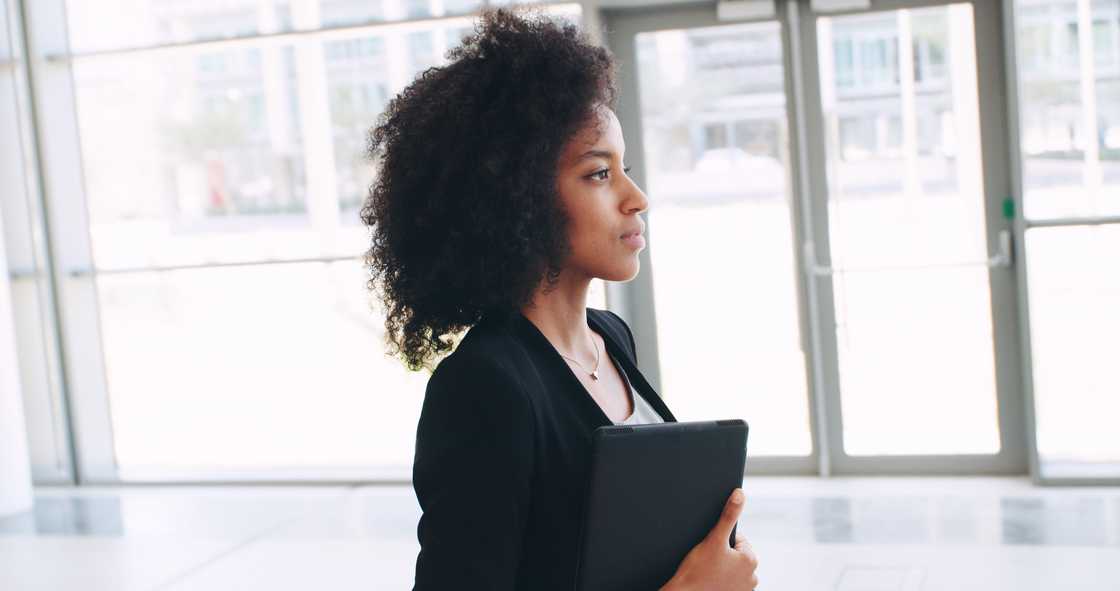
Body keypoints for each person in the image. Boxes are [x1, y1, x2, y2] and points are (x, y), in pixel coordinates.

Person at [361, 8, 760, 590]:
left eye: (626, 168)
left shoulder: (609, 339)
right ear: (516, 198)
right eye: (599, 174)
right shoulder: (484, 386)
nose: (637, 197)